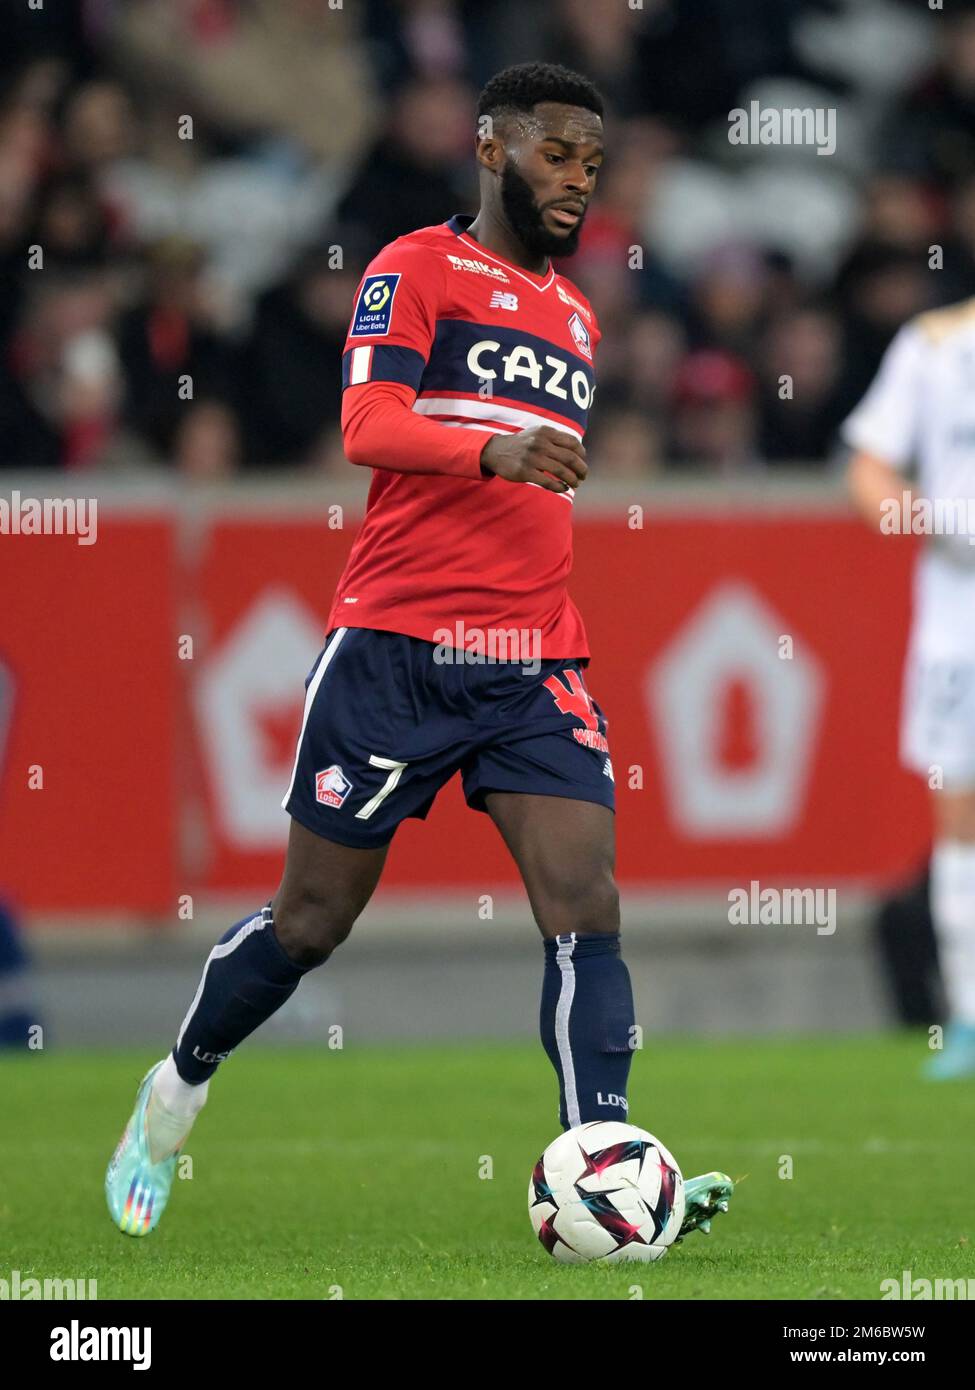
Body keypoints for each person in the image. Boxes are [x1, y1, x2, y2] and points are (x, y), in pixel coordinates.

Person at [106, 62, 733, 1249]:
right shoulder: (414, 267)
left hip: (534, 654)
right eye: (556, 153)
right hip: (394, 646)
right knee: (311, 920)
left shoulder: (579, 315)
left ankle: (605, 1162)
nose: (576, 181)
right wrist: (498, 450)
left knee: (585, 900)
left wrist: (525, 471)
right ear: (494, 149)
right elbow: (368, 425)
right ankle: (175, 1086)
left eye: (593, 164)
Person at [846, 297, 975, 1079]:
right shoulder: (933, 344)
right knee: (959, 820)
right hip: (957, 629)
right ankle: (965, 1018)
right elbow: (868, 468)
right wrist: (932, 519)